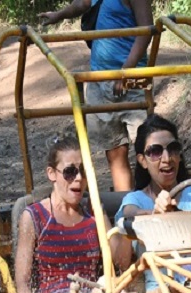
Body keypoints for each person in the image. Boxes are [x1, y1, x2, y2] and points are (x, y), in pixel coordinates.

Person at [115, 113, 191, 293]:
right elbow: (129, 217)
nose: (167, 158)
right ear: (143, 161)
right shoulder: (136, 200)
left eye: (173, 149)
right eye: (155, 152)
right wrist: (155, 213)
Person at [14, 136, 128, 293]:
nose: (78, 178)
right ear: (52, 174)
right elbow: (22, 279)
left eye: (83, 171)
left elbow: (121, 261)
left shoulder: (93, 213)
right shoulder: (35, 217)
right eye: (70, 172)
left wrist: (102, 214)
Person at [39, 0, 153, 192]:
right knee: (115, 152)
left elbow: (146, 30)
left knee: (149, 148)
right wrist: (59, 15)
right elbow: (83, 4)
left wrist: (126, 71)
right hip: (100, 79)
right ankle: (125, 202)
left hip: (133, 80)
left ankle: (154, 201)